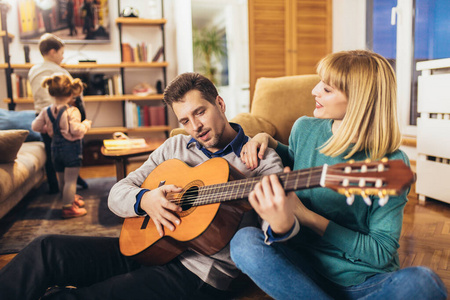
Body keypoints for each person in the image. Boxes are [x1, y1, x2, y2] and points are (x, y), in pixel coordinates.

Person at [0, 72, 283, 300]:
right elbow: (117, 193)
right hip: (148, 248)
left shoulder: (260, 159)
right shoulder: (175, 146)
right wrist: (145, 199)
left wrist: (275, 220)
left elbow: (273, 235)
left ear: (219, 104)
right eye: (185, 120)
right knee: (45, 249)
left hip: (196, 274)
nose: (195, 126)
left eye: (200, 112)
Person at [230, 50, 448, 300]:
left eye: (327, 89)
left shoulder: (391, 163)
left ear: (358, 100)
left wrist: (306, 216)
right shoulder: (305, 128)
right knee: (244, 242)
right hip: (304, 272)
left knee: (423, 282)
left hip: (363, 281)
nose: (314, 90)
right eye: (319, 82)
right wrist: (265, 139)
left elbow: (380, 252)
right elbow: (296, 158)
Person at [29, 33, 89, 194]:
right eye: (61, 53)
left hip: (43, 114)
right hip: (63, 116)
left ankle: (54, 185)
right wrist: (82, 118)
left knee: (51, 152)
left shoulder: (33, 70)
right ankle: (72, 182)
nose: (63, 57)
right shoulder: (59, 72)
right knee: (70, 150)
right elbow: (75, 97)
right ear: (52, 52)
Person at [32, 74, 92, 219]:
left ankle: (68, 199)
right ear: (71, 93)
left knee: (63, 180)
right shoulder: (72, 111)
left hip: (55, 150)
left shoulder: (46, 111)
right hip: (70, 150)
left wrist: (48, 129)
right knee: (71, 180)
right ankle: (68, 208)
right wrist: (86, 124)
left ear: (51, 92)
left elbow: (36, 126)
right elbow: (76, 130)